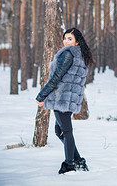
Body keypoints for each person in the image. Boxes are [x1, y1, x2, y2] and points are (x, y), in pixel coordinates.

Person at [36, 27, 93, 174]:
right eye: (65, 38)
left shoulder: (68, 54)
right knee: (59, 131)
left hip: (62, 98)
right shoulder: (81, 55)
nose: (66, 42)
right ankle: (78, 160)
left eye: (70, 39)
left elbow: (56, 78)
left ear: (76, 42)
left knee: (66, 132)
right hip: (69, 98)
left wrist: (42, 95)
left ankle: (69, 164)